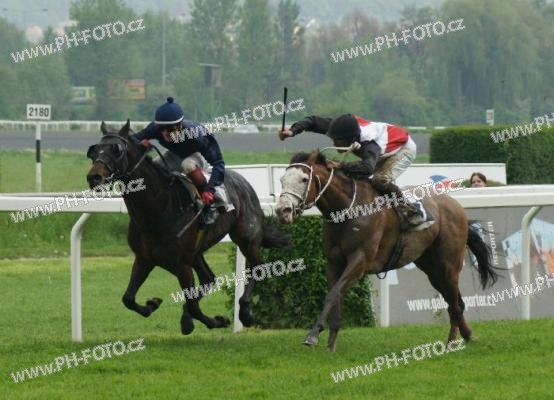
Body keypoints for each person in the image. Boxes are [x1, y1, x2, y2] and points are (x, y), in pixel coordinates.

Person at [278, 113, 434, 231]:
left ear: (350, 139)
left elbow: (367, 168)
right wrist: (292, 131)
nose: (334, 142)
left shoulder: (369, 144)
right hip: (380, 150)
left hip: (403, 149)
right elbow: (312, 121)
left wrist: (342, 166)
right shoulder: (340, 127)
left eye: (337, 140)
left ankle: (413, 209)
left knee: (380, 180)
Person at [131, 97, 230, 224]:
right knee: (153, 169)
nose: (165, 133)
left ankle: (210, 206)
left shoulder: (196, 134)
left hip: (197, 155)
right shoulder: (154, 128)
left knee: (187, 165)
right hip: (175, 154)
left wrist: (209, 190)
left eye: (170, 129)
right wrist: (140, 145)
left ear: (180, 125)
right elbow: (132, 139)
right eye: (161, 128)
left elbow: (218, 163)